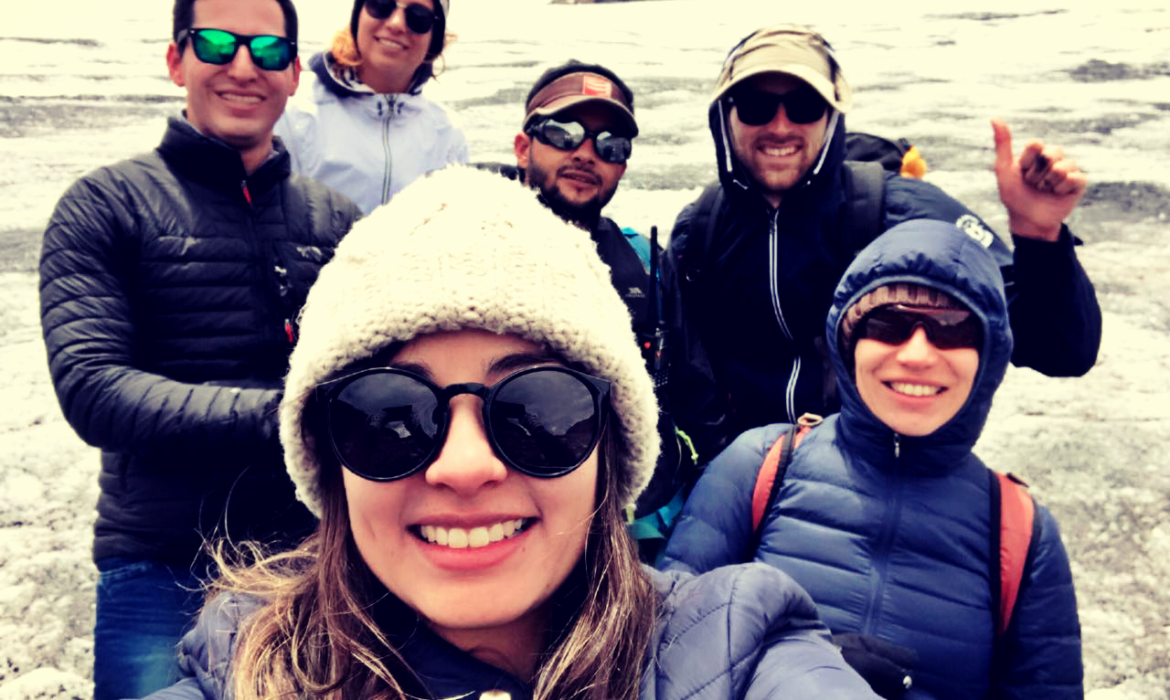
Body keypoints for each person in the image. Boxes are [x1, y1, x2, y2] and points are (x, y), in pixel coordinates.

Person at [141, 166, 880, 700]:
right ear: (326, 464)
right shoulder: (242, 669)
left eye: (539, 409)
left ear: (612, 450)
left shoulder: (732, 646)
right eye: (389, 416)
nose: (465, 466)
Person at [38, 0, 362, 697]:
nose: (243, 66)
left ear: (293, 75)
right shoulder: (105, 205)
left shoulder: (335, 220)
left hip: (311, 560)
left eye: (270, 52)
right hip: (161, 560)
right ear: (175, 59)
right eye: (216, 43)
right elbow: (94, 391)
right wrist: (289, 414)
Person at [660, 219, 1083, 699]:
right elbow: (665, 648)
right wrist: (792, 664)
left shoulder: (1024, 535)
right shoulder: (758, 465)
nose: (918, 354)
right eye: (889, 324)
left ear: (988, 357)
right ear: (847, 342)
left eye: (953, 329)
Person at [669, 24, 1102, 442]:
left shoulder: (907, 213)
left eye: (804, 106)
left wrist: (1038, 235)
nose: (781, 126)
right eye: (755, 105)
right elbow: (676, 376)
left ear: (832, 116)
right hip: (739, 483)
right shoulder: (700, 231)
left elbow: (1059, 351)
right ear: (725, 116)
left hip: (876, 483)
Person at [502, 60, 726, 558]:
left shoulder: (647, 264)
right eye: (564, 133)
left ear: (622, 166)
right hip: (517, 521)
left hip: (641, 527)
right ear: (523, 147)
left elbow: (697, 400)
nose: (586, 153)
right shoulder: (465, 244)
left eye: (610, 145)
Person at [274, 0, 468, 213]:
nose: (396, 23)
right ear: (358, 16)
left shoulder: (448, 134)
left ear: (434, 40)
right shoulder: (291, 112)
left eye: (418, 16)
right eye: (381, 4)